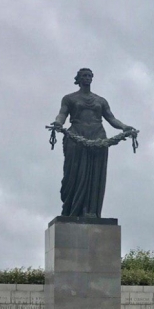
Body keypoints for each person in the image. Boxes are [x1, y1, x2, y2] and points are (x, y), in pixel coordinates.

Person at [50, 68, 137, 218]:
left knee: (95, 175)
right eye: (84, 76)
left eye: (90, 76)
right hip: (76, 135)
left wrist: (124, 127)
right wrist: (58, 123)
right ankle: (71, 210)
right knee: (73, 175)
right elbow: (62, 113)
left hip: (98, 137)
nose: (87, 78)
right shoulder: (69, 98)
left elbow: (111, 118)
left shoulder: (101, 100)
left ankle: (90, 211)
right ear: (78, 79)